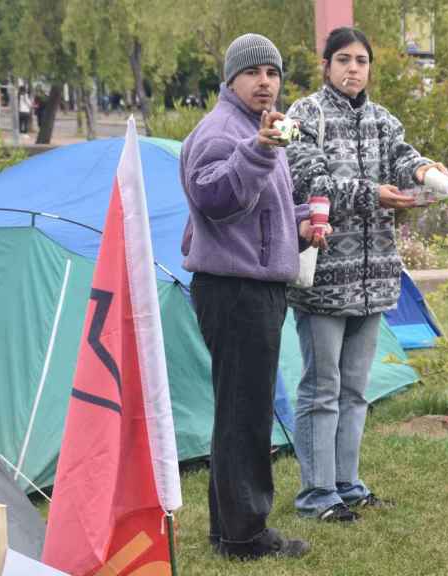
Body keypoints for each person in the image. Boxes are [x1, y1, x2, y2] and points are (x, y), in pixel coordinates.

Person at [285, 27, 448, 523]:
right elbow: (309, 177)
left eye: (361, 60)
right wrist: (373, 193)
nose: (353, 68)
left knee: (355, 390)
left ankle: (346, 485)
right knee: (321, 388)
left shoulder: (383, 120)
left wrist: (424, 173)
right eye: (343, 59)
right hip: (324, 276)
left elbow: (403, 157)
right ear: (326, 65)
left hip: (376, 275)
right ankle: (316, 494)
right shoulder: (303, 116)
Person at [180, 33, 314, 560]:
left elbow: (257, 211)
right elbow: (214, 198)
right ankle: (246, 536)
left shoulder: (259, 127)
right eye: (254, 72)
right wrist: (258, 150)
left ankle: (228, 528)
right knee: (245, 413)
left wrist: (303, 222)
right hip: (236, 290)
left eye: (273, 72)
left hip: (250, 282)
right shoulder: (222, 131)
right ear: (232, 78)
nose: (265, 82)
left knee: (239, 409)